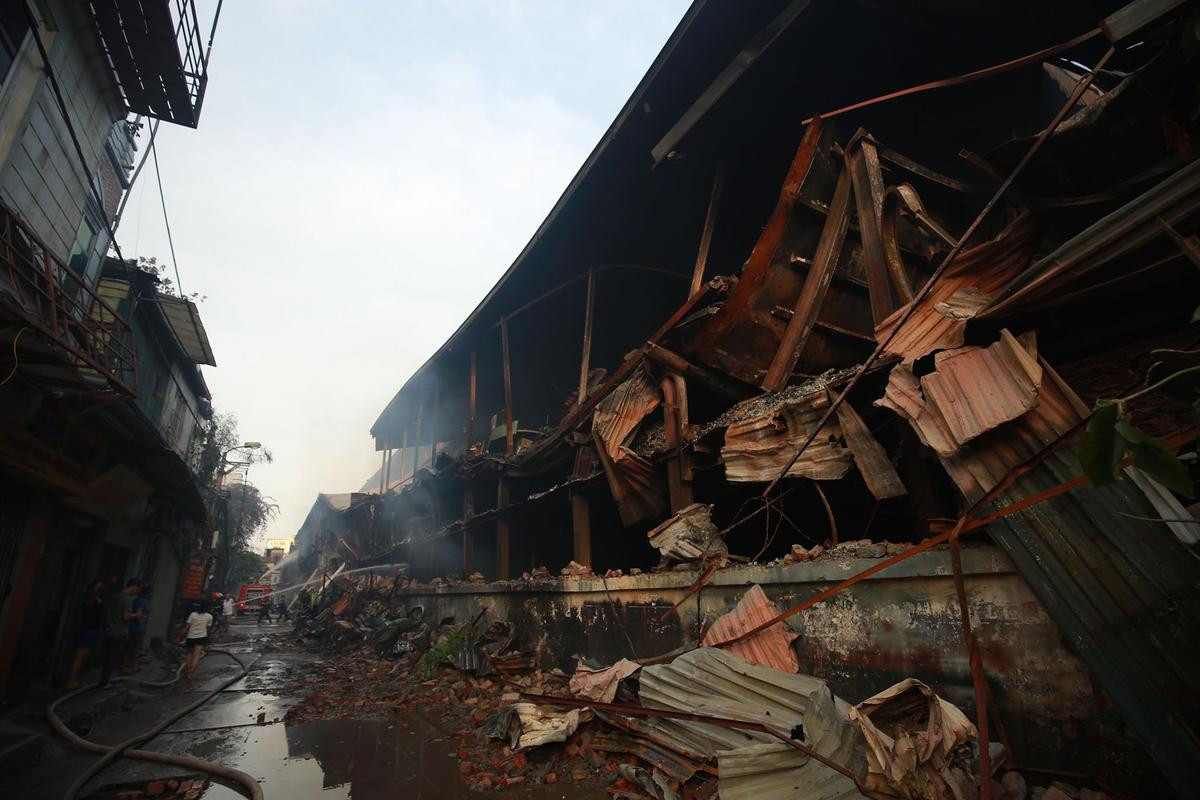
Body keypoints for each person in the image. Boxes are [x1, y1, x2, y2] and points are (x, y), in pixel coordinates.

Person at [99, 578, 142, 688]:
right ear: (134, 586)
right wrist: (135, 615)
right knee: (114, 658)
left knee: (107, 657)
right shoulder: (127, 599)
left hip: (108, 631)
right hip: (119, 633)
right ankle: (108, 681)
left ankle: (104, 680)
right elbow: (125, 616)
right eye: (137, 589)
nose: (137, 592)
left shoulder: (114, 597)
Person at [65, 580, 105, 690]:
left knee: (81, 657)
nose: (98, 589)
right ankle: (71, 681)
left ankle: (73, 680)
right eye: (97, 587)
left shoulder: (87, 600)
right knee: (79, 658)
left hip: (86, 630)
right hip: (89, 630)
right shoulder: (95, 602)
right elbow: (97, 618)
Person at [178, 601, 213, 681]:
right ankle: (190, 674)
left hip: (191, 637)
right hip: (201, 638)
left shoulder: (192, 614)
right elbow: (208, 629)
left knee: (189, 654)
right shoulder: (209, 617)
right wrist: (209, 637)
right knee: (196, 656)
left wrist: (179, 637)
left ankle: (187, 672)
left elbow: (186, 627)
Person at [124, 581, 150, 672]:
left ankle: (126, 664)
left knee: (129, 646)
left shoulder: (135, 599)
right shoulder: (143, 601)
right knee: (133, 648)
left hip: (130, 627)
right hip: (136, 628)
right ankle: (134, 666)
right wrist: (140, 621)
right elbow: (139, 614)